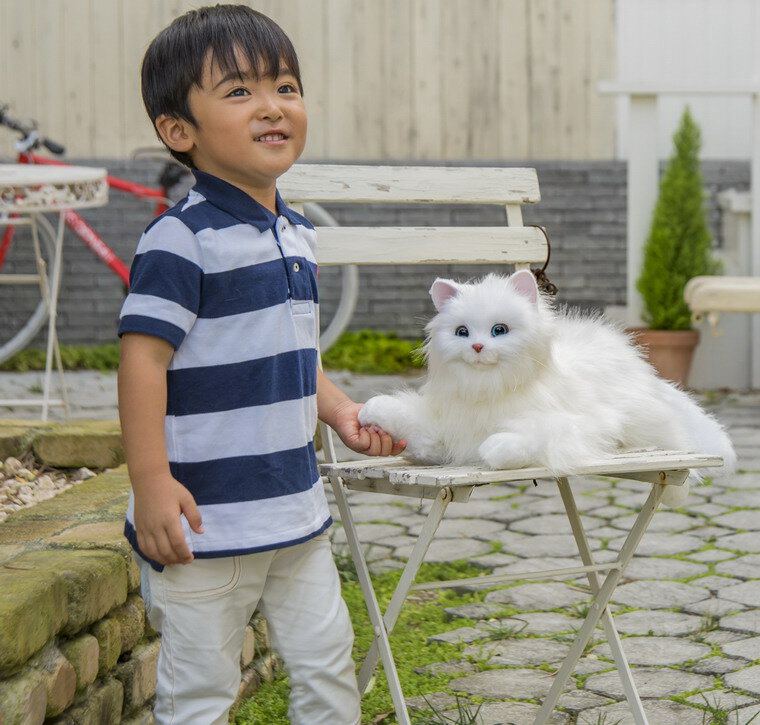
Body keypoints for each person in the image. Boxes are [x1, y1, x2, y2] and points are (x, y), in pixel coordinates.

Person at [117, 6, 405, 724]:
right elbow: (141, 362)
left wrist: (336, 407)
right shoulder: (180, 239)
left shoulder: (296, 233)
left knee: (329, 668)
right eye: (239, 91)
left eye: (285, 85)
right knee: (201, 690)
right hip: (204, 523)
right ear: (179, 131)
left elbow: (292, 346)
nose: (273, 105)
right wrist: (152, 483)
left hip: (295, 514)